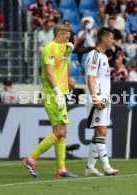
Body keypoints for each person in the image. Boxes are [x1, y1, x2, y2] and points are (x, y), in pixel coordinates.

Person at [23, 24, 77, 178]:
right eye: (67, 35)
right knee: (59, 131)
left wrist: (69, 55)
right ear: (60, 33)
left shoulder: (63, 48)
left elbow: (65, 71)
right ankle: (31, 159)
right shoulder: (49, 48)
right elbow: (48, 73)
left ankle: (61, 170)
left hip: (61, 94)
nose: (69, 38)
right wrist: (57, 93)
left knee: (63, 132)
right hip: (52, 94)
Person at [84, 27, 119, 176]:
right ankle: (106, 166)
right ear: (103, 38)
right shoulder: (94, 55)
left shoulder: (104, 57)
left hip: (105, 97)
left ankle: (90, 167)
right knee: (102, 131)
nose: (113, 40)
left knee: (100, 133)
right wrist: (95, 98)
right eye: (111, 38)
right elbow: (90, 79)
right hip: (97, 97)